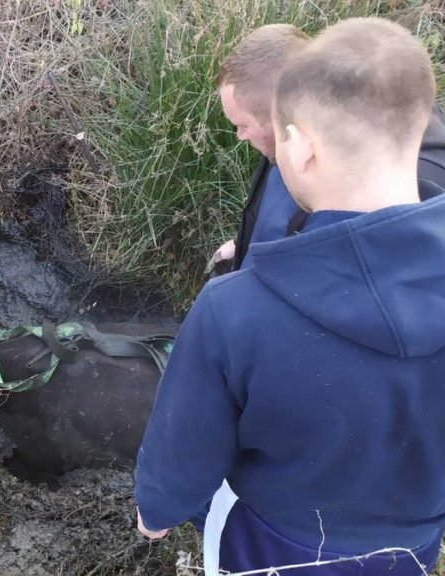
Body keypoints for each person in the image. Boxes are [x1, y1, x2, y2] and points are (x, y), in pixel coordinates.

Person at [135, 17, 445, 575]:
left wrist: (156, 509)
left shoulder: (232, 311)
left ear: (298, 145)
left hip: (275, 541)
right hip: (411, 546)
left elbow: (186, 443)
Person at [208, 24, 445, 275]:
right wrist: (243, 245)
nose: (240, 135)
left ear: (283, 116)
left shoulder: (398, 186)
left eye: (243, 125)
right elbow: (276, 216)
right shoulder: (283, 143)